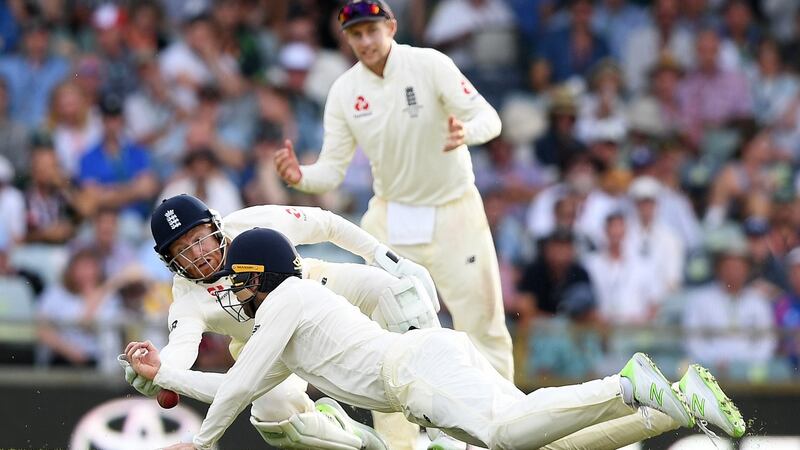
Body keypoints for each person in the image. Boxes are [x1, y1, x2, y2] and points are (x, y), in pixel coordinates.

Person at [126, 228, 746, 450]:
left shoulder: (286, 302)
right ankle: (670, 409)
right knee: (534, 444)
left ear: (257, 273)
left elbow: (233, 388)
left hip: (415, 372)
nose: (230, 286)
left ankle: (626, 383)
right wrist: (163, 373)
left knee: (507, 435)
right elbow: (236, 384)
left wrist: (203, 443)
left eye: (238, 276)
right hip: (420, 373)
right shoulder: (281, 322)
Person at [274, 4, 514, 445]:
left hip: (453, 211)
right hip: (391, 216)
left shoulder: (430, 64)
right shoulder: (345, 91)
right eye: (355, 35)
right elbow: (331, 170)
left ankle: (504, 429)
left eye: (371, 31)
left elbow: (490, 119)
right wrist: (300, 177)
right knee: (386, 336)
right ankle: (399, 442)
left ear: (392, 27)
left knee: (482, 323)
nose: (364, 42)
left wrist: (467, 132)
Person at [121, 194, 440, 450]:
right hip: (267, 341)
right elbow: (182, 347)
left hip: (317, 284)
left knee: (399, 294)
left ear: (215, 226)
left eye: (199, 238)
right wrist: (159, 370)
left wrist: (388, 259)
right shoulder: (187, 297)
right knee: (273, 418)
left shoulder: (251, 223)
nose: (199, 254)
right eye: (183, 250)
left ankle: (445, 437)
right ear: (170, 261)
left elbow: (325, 223)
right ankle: (357, 440)